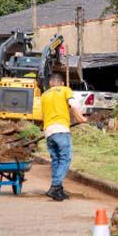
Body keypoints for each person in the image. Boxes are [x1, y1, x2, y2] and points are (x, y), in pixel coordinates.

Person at [41, 72, 87, 201]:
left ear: (50, 83)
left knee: (56, 160)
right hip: (61, 129)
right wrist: (80, 118)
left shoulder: (44, 95)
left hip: (48, 131)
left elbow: (42, 116)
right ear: (61, 83)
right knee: (66, 159)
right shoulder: (65, 90)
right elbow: (74, 105)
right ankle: (55, 186)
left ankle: (58, 190)